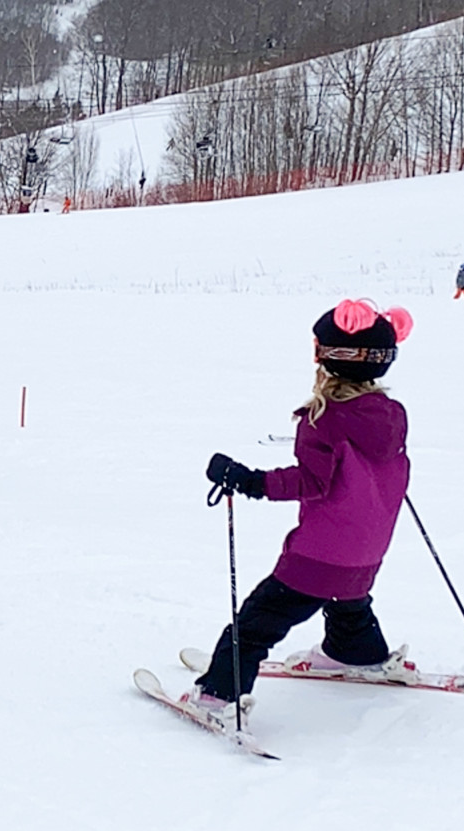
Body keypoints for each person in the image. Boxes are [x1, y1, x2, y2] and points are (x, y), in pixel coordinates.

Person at [175, 300, 419, 722]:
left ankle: (217, 696)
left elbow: (311, 482)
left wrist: (248, 480)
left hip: (319, 553)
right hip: (368, 549)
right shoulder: (392, 415)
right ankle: (355, 652)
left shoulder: (323, 418)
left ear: (325, 356)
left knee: (256, 623)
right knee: (347, 597)